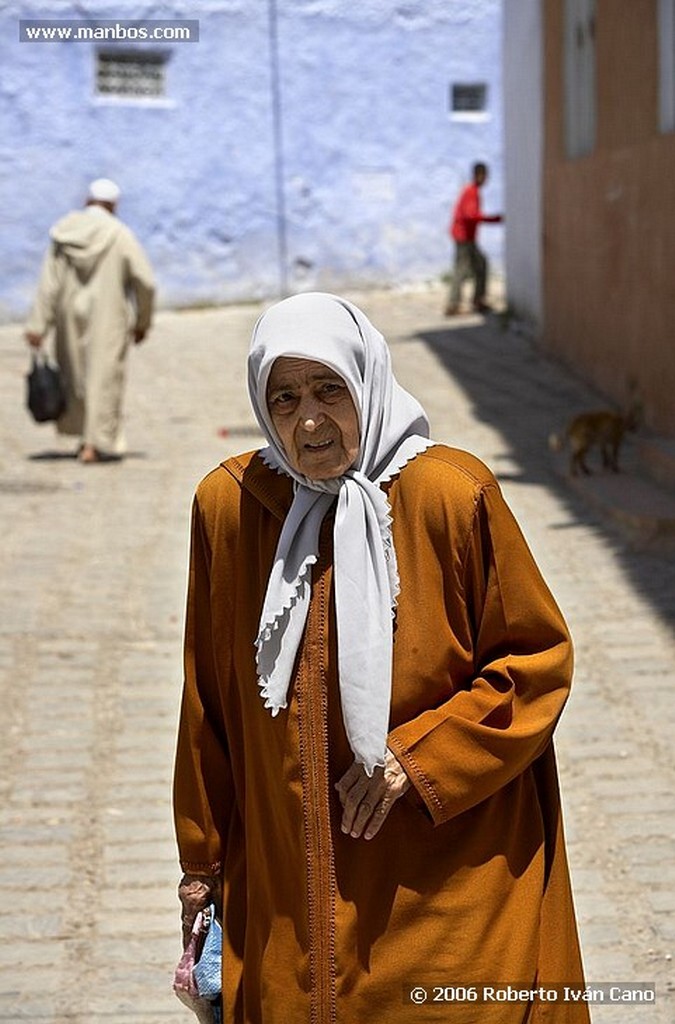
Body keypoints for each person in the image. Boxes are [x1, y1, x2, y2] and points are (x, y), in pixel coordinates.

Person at [173, 292, 589, 1024]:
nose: (309, 419)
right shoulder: (231, 506)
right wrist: (202, 863)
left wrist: (416, 760)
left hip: (442, 882)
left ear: (367, 380)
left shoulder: (447, 495)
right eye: (285, 396)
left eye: (330, 388)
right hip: (287, 887)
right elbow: (207, 701)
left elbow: (532, 663)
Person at [24, 178, 155, 463]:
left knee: (76, 376)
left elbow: (49, 282)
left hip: (69, 313)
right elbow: (145, 281)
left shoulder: (64, 232)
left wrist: (38, 325)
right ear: (113, 206)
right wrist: (142, 321)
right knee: (103, 377)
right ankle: (94, 444)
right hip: (108, 315)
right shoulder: (119, 234)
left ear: (87, 202)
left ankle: (84, 436)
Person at [445, 161, 503, 316]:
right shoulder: (471, 191)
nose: (486, 179)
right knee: (462, 269)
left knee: (480, 265)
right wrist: (494, 219)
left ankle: (477, 299)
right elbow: (471, 215)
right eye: (485, 176)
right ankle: (453, 304)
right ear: (480, 175)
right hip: (464, 237)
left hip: (467, 236)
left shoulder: (472, 190)